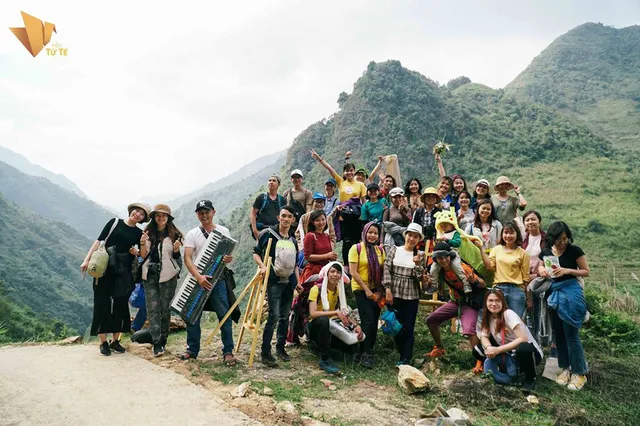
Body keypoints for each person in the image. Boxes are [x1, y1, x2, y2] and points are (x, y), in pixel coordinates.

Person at [81, 202, 149, 356]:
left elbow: (143, 255)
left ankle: (115, 341)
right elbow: (98, 241)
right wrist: (87, 259)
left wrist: (139, 248)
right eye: (136, 211)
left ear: (143, 219)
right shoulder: (114, 223)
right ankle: (103, 342)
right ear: (131, 211)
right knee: (102, 302)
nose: (137, 214)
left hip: (124, 271)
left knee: (120, 305)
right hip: (105, 268)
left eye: (142, 214)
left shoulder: (139, 234)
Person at [181, 200, 237, 366]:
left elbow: (227, 256)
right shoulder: (192, 234)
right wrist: (199, 277)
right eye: (200, 212)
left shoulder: (223, 231)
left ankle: (228, 351)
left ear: (213, 212)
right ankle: (192, 350)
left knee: (224, 315)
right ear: (197, 214)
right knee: (192, 317)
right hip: (198, 280)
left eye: (206, 211)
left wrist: (228, 259)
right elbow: (187, 258)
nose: (204, 215)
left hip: (218, 281)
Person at [538, 221, 590, 391]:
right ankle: (565, 368)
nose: (562, 243)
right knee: (559, 334)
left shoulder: (574, 250)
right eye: (559, 240)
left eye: (565, 239)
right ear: (551, 239)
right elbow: (540, 267)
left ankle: (579, 372)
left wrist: (568, 270)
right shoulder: (546, 252)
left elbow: (585, 271)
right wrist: (542, 271)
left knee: (571, 335)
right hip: (554, 293)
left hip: (571, 291)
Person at [425, 242, 486, 373]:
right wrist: (425, 281)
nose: (443, 260)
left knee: (469, 330)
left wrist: (473, 280)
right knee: (431, 320)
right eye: (439, 258)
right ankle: (439, 348)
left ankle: (480, 360)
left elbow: (483, 284)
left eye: (445, 257)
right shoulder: (438, 270)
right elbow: (428, 287)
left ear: (450, 256)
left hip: (469, 303)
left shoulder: (462, 267)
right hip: (455, 302)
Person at [253, 205, 302, 367]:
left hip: (289, 282)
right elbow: (256, 252)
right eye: (283, 216)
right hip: (274, 281)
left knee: (284, 316)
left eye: (289, 216)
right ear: (278, 217)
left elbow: (295, 264)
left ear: (293, 220)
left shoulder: (293, 240)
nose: (286, 219)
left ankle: (280, 348)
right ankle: (265, 352)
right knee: (273, 316)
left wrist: (298, 281)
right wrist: (262, 266)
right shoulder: (268, 234)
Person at [473, 289, 543, 391]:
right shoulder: (488, 317)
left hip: (529, 353)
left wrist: (498, 350)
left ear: (503, 302)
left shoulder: (508, 314)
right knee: (478, 350)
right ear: (486, 302)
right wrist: (489, 348)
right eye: (490, 300)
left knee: (524, 347)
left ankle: (530, 378)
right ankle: (507, 371)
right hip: (508, 352)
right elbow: (484, 336)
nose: (494, 304)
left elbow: (523, 338)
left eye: (498, 300)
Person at [140, 204, 183, 357]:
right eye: (158, 215)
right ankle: (156, 342)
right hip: (150, 274)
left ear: (168, 218)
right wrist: (142, 243)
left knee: (165, 308)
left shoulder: (174, 234)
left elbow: (177, 258)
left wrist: (177, 250)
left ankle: (163, 338)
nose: (161, 218)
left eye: (164, 215)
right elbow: (143, 254)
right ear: (153, 217)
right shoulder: (147, 232)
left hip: (167, 276)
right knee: (153, 308)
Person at [308, 262, 363, 374]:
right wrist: (335, 313)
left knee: (348, 349)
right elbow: (312, 314)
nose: (335, 275)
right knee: (323, 321)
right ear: (327, 274)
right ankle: (324, 359)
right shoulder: (315, 289)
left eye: (338, 272)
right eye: (332, 271)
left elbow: (343, 312)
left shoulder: (338, 291)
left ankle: (330, 348)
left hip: (331, 324)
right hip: (314, 326)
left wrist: (355, 325)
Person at [383, 223, 427, 365]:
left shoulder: (420, 255)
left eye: (415, 236)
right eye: (410, 235)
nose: (412, 239)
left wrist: (418, 265)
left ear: (419, 239)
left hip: (411, 295)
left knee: (408, 327)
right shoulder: (394, 250)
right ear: (405, 235)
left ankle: (405, 358)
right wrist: (387, 289)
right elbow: (386, 269)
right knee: (395, 325)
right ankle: (402, 352)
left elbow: (420, 277)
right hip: (394, 292)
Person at [475, 221, 530, 318]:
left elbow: (526, 277)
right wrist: (480, 249)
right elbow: (489, 266)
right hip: (499, 289)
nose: (508, 235)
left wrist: (528, 298)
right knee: (498, 320)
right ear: (502, 234)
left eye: (511, 233)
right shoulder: (496, 249)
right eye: (506, 232)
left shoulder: (523, 253)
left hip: (517, 290)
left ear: (517, 234)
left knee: (515, 322)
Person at [349, 222, 385, 368]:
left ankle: (361, 352)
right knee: (368, 320)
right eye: (370, 232)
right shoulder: (356, 248)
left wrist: (380, 291)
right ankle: (367, 353)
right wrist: (366, 290)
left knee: (374, 320)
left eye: (375, 233)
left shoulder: (380, 251)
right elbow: (353, 272)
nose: (372, 235)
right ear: (365, 232)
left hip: (376, 291)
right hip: (360, 289)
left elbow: (383, 271)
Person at [300, 209, 336, 283]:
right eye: (317, 220)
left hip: (326, 270)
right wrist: (326, 256)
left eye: (323, 219)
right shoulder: (310, 236)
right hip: (314, 272)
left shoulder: (326, 236)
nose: (321, 222)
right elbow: (308, 256)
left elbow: (329, 254)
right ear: (313, 222)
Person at [250, 173, 286, 240]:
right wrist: (255, 231)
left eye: (274, 181)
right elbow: (253, 213)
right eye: (270, 180)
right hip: (262, 231)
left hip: (276, 232)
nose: (271, 182)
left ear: (279, 184)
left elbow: (284, 216)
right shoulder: (261, 198)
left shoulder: (282, 200)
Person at [412, 187, 441, 253]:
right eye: (428, 196)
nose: (430, 198)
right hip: (420, 242)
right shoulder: (418, 212)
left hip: (435, 242)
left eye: (433, 196)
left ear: (436, 199)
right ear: (424, 199)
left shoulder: (440, 212)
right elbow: (414, 226)